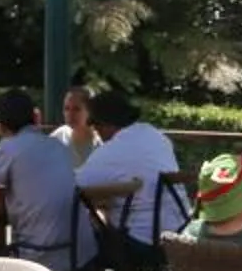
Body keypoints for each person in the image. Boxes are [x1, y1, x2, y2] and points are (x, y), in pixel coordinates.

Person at [0, 88, 96, 271]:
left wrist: (9, 205)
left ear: (1, 126)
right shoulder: (58, 146)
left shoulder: (8, 148)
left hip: (40, 263)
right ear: (36, 116)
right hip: (82, 259)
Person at [76, 92, 181, 261]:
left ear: (105, 124)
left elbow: (73, 187)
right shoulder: (157, 136)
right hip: (177, 234)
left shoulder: (112, 150)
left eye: (96, 127)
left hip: (141, 243)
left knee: (77, 241)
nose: (96, 133)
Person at [57, 85, 97, 166]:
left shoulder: (100, 147)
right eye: (66, 108)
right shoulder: (59, 136)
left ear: (91, 111)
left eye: (77, 109)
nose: (70, 114)